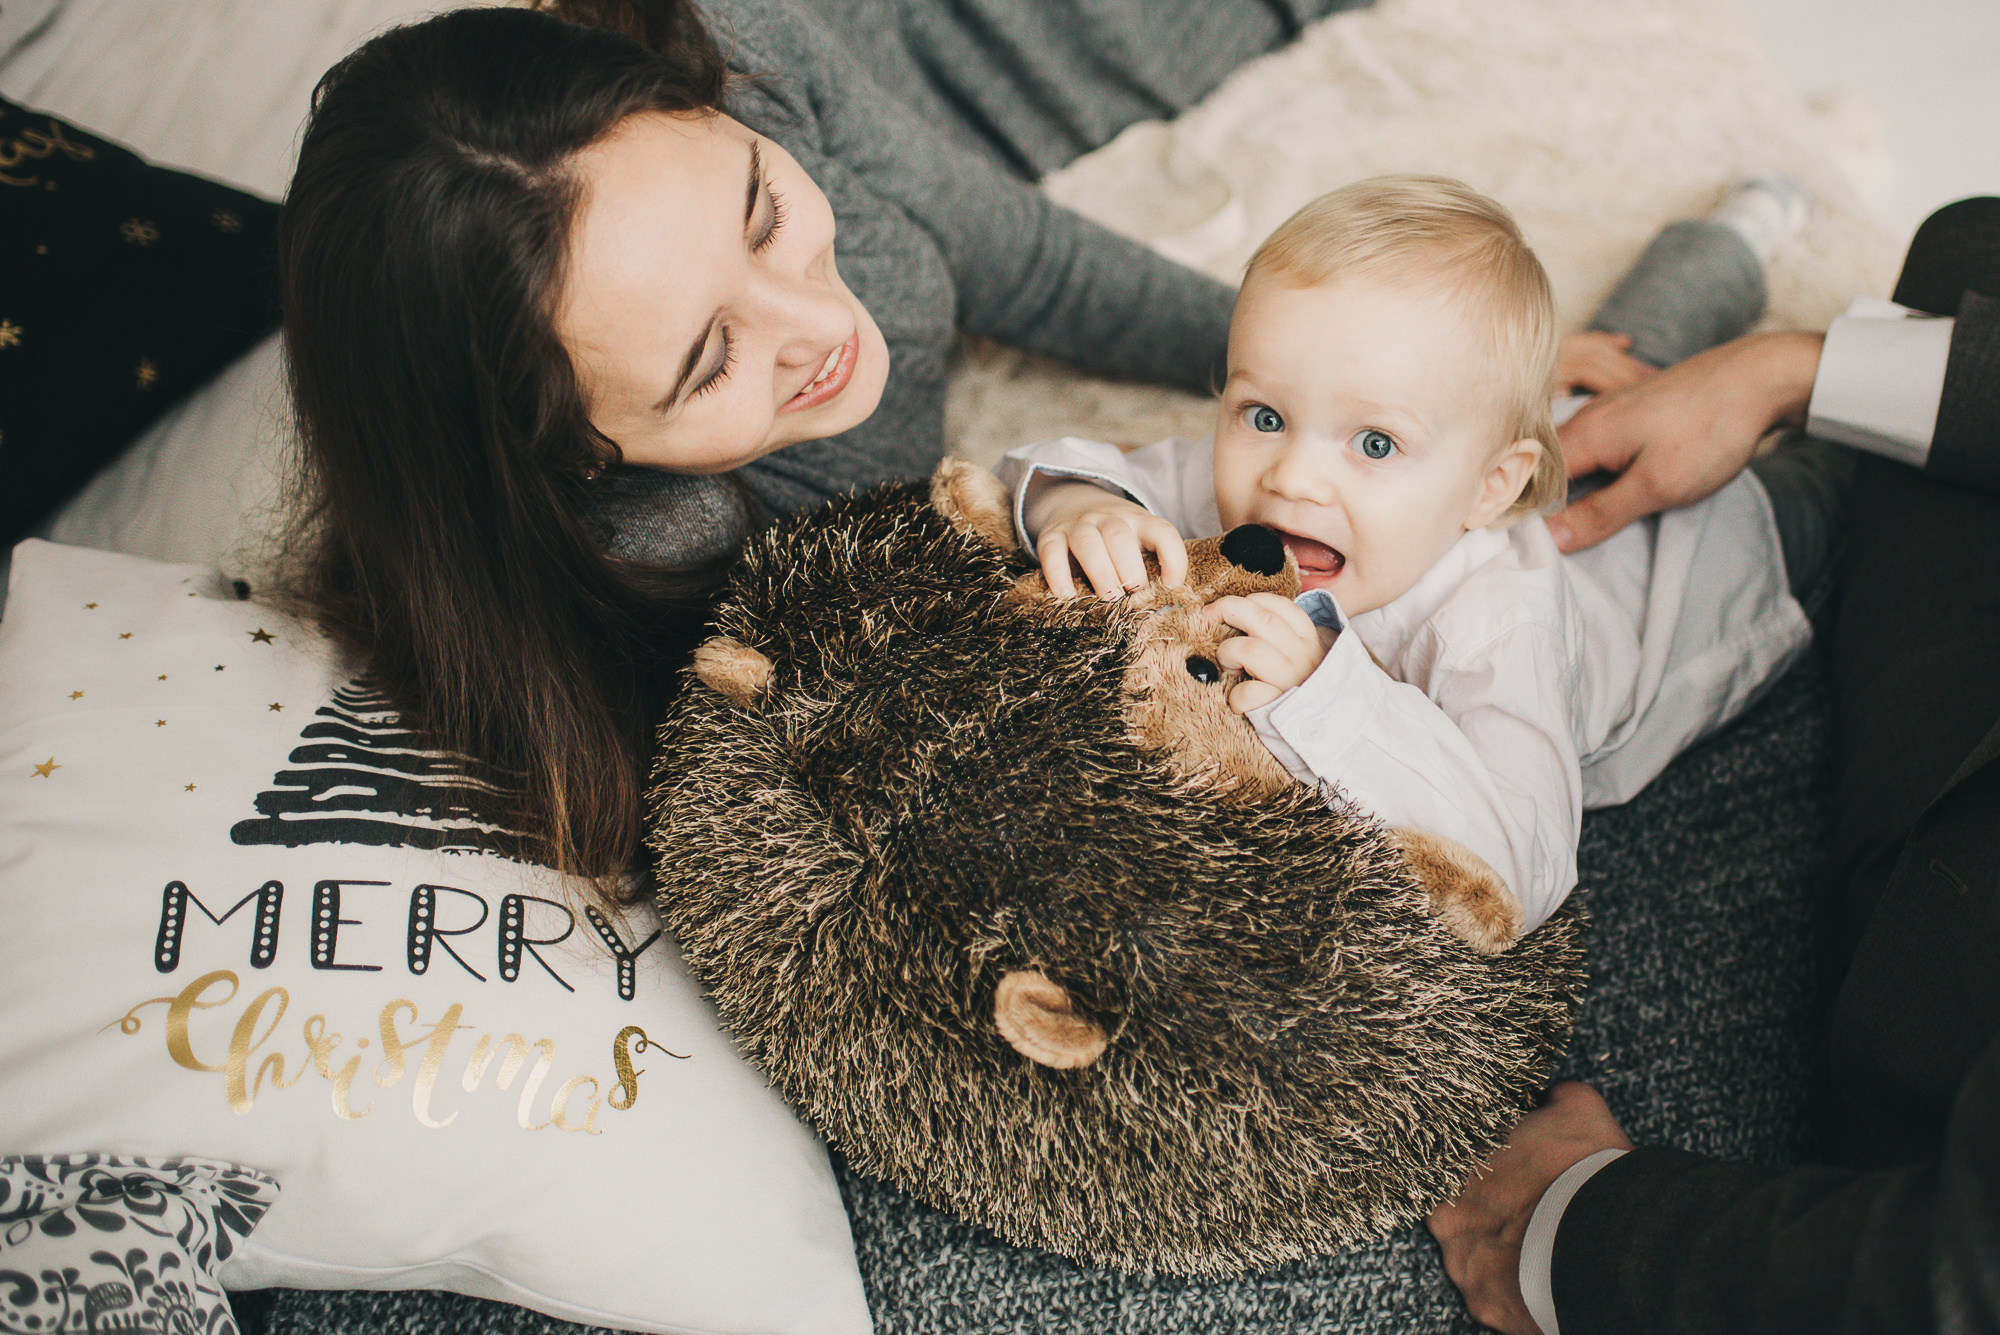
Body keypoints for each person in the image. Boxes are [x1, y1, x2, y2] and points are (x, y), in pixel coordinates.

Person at [273, 0, 1356, 897]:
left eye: (763, 216)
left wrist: (1322, 385)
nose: (817, 326)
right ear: (579, 458)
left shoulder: (752, 65)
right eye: (707, 364)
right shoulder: (664, 558)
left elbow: (1024, 261)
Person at [1425, 196, 2000, 1334]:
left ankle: (1742, 228)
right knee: (1967, 248)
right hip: (1565, 484)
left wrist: (1578, 1225)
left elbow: (1515, 860)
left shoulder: (1552, 708)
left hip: (1700, 571)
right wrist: (1786, 367)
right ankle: (1735, 277)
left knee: (1692, 390)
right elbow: (1090, 463)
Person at [993, 175, 1828, 941]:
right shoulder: (1247, 494)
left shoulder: (1497, 624)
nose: (1291, 476)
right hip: (1555, 421)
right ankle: (1728, 236)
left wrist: (1329, 694)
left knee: (1846, 474)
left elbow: (1524, 863)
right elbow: (1056, 463)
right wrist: (1081, 503)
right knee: (1634, 339)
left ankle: (1765, 248)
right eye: (1265, 414)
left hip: (1715, 554)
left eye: (1375, 441)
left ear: (1489, 488)